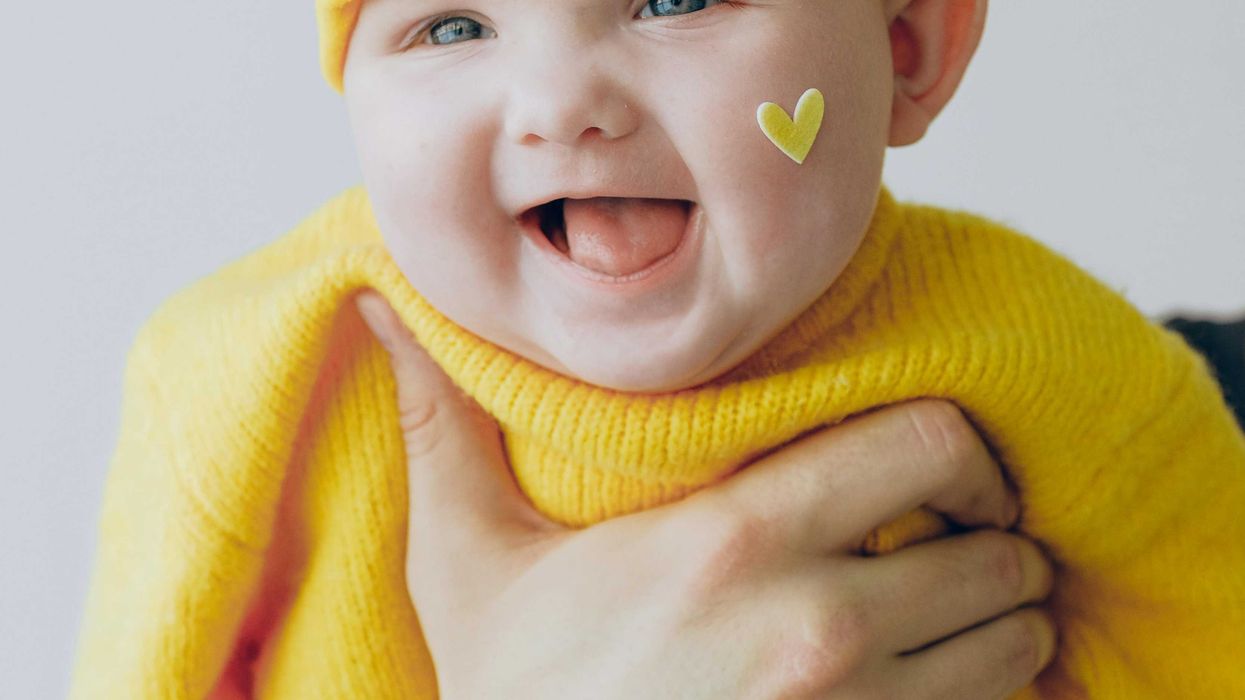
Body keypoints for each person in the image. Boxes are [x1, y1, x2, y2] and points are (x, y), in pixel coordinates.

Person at [71, 0, 1245, 697]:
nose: (556, 100)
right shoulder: (255, 367)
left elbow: (1203, 628)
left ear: (906, 45)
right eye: (453, 22)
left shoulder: (1048, 351)